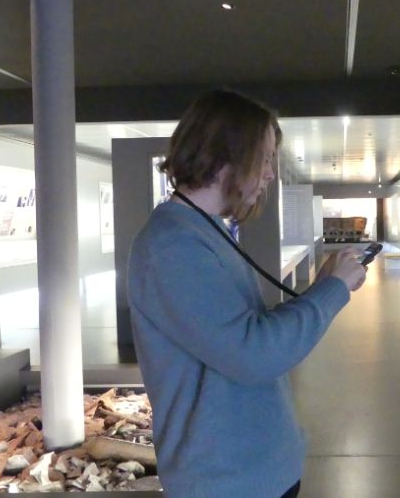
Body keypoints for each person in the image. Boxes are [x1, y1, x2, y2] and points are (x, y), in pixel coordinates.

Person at [127, 89, 367, 498]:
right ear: (226, 156)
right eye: (265, 158)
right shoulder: (171, 245)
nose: (271, 173)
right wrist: (332, 290)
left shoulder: (203, 230)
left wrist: (324, 285)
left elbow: (242, 331)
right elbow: (253, 353)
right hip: (227, 480)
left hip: (256, 468)